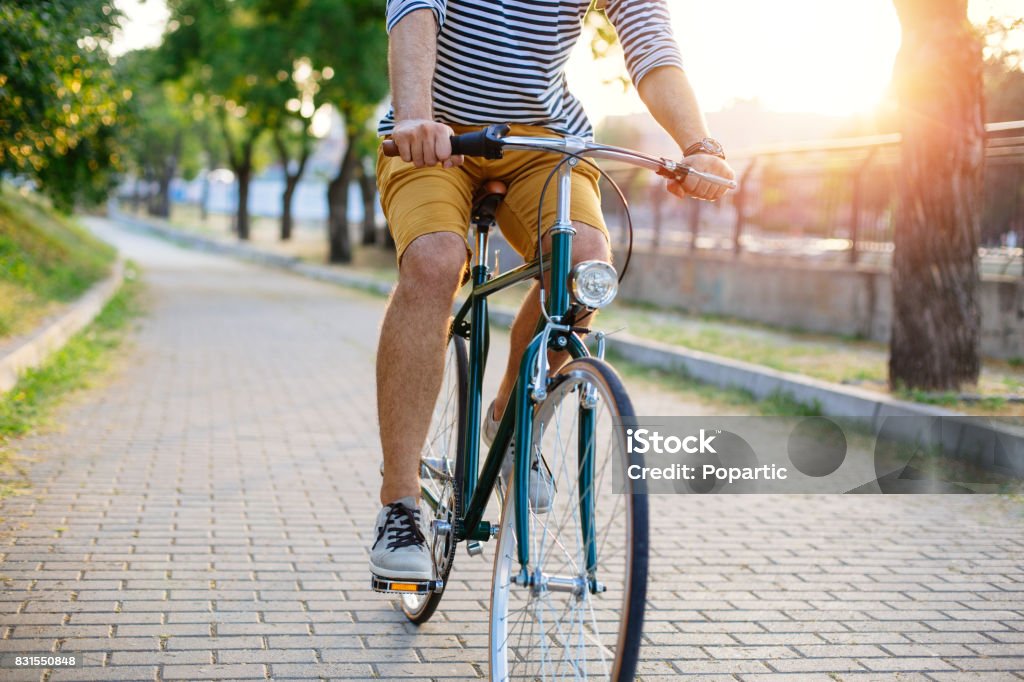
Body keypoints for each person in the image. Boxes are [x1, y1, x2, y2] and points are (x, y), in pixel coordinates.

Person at [369, 0, 735, 584]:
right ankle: (400, 503)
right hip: (436, 132)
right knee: (435, 261)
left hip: (543, 139)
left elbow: (649, 40)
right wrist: (415, 115)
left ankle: (510, 423)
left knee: (586, 267)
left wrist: (699, 144)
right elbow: (414, 7)